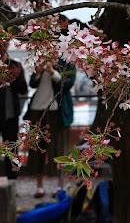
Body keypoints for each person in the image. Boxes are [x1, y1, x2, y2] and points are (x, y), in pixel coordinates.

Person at [28, 57, 76, 198]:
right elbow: (32, 83)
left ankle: (59, 185)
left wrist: (53, 72)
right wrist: (37, 72)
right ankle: (39, 185)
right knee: (37, 148)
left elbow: (68, 84)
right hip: (37, 108)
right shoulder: (40, 58)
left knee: (58, 148)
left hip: (57, 110)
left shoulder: (68, 60)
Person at [0, 40, 27, 179]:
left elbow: (23, 90)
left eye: (5, 44)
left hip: (10, 114)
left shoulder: (15, 65)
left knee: (11, 147)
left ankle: (12, 181)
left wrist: (16, 78)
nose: (2, 47)